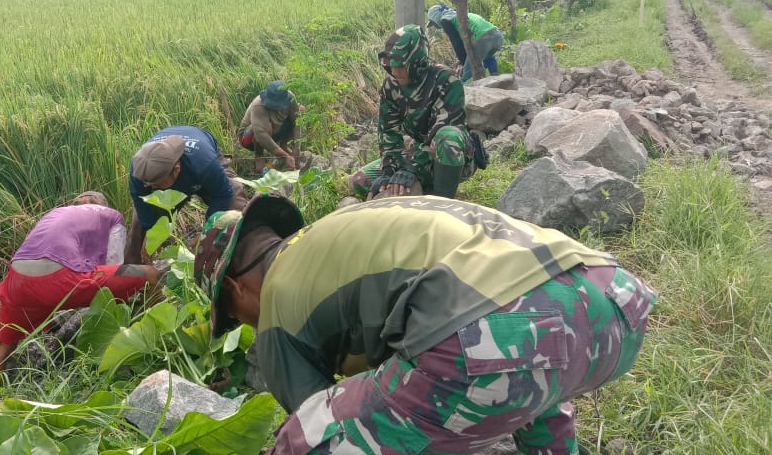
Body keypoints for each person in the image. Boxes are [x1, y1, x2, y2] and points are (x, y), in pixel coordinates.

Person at [194, 193, 656, 454]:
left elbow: (327, 426)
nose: (248, 325)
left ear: (235, 289)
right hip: (612, 306)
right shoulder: (338, 232)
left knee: (302, 439)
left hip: (501, 334)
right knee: (526, 358)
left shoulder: (276, 304)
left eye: (233, 317)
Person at [0, 191, 162, 388]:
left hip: (17, 280)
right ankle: (158, 336)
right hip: (60, 278)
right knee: (149, 273)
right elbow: (114, 266)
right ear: (104, 205)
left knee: (3, 346)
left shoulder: (54, 214)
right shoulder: (112, 217)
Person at [373, 24, 475, 200]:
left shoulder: (446, 79)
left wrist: (412, 167)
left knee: (448, 136)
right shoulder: (391, 85)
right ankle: (420, 188)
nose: (394, 71)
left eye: (401, 66)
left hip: (450, 155)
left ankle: (442, 202)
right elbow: (388, 132)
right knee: (360, 181)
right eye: (390, 66)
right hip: (418, 153)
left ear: (416, 62)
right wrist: (389, 170)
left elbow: (444, 128)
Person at [126, 125, 247, 264]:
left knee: (235, 197)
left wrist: (207, 232)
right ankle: (132, 270)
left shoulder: (205, 163)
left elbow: (224, 193)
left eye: (157, 185)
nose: (153, 188)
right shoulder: (140, 167)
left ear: (177, 170)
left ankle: (234, 260)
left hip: (202, 169)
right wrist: (150, 232)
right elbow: (140, 200)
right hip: (167, 171)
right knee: (138, 226)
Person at [237, 80, 304, 173]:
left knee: (298, 112)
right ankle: (259, 154)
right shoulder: (258, 105)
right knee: (265, 127)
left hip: (275, 131)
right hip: (248, 137)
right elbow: (261, 134)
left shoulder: (290, 98)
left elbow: (297, 122)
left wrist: (297, 149)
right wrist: (285, 156)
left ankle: (283, 146)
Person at [427, 3, 505, 81]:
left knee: (467, 74)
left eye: (433, 23)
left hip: (484, 39)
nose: (435, 26)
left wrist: (463, 62)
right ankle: (496, 78)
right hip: (497, 36)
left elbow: (457, 43)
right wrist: (462, 61)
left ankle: (463, 87)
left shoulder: (445, 20)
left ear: (436, 17)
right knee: (487, 58)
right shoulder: (460, 14)